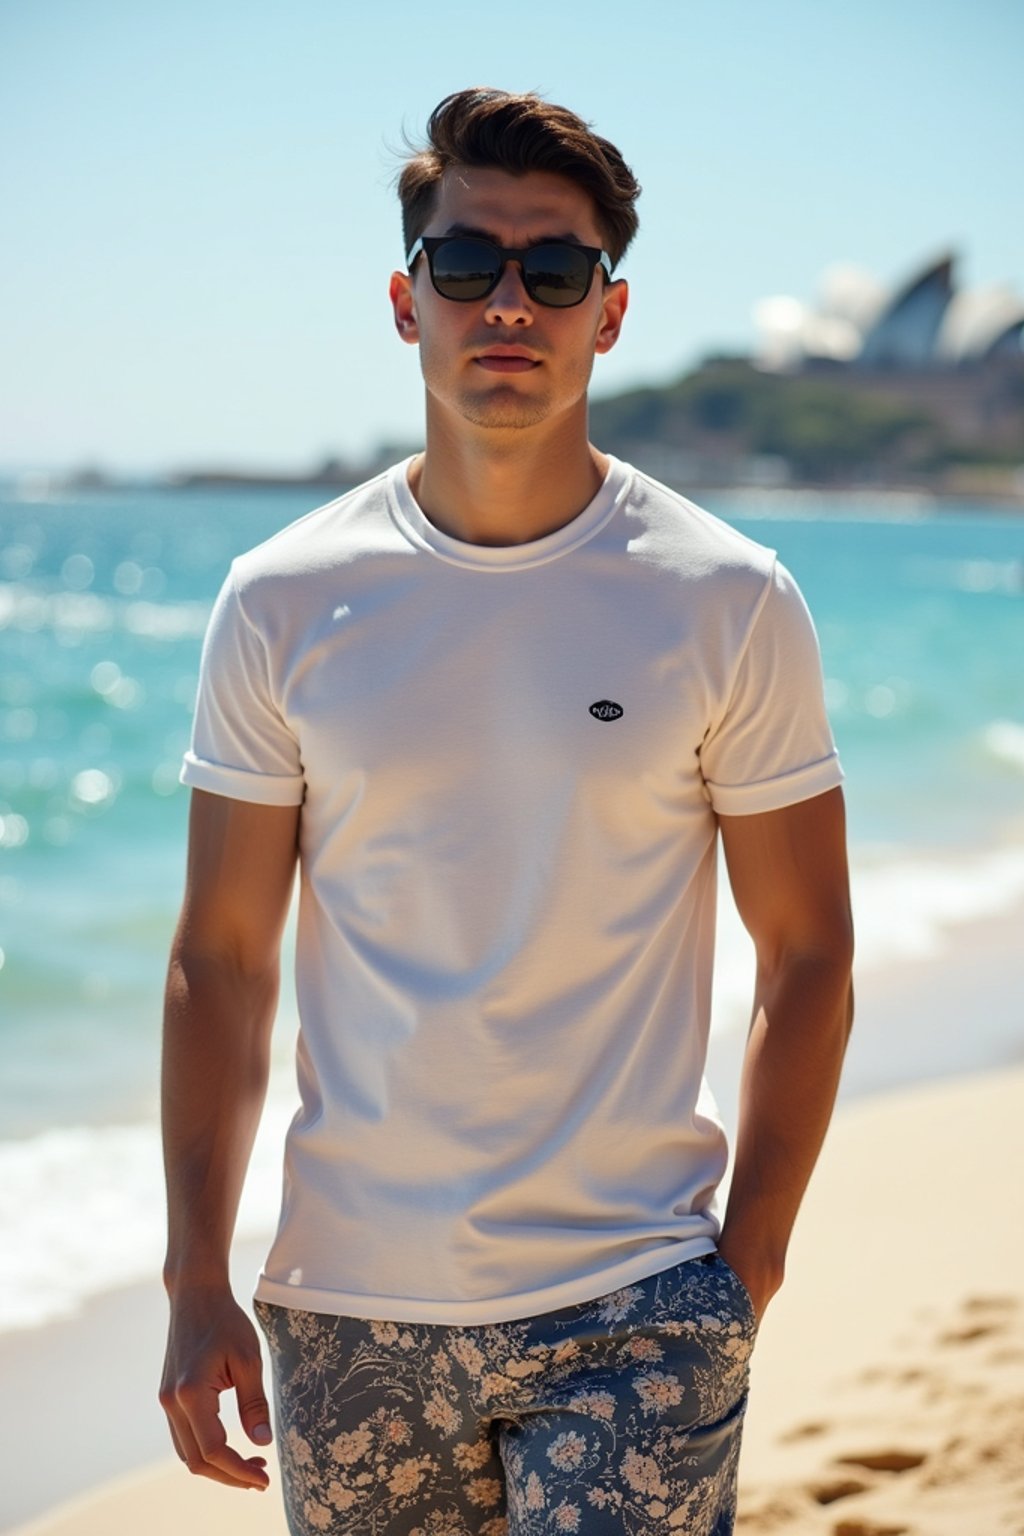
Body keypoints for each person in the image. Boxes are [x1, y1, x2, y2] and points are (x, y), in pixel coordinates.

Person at [159, 87, 854, 1536]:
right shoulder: (283, 597)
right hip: (350, 1311)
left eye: (556, 269)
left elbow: (808, 953)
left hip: (638, 1302)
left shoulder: (727, 597)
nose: (509, 302)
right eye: (468, 266)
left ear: (610, 312)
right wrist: (193, 1277)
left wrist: (753, 1267)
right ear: (408, 303)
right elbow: (222, 960)